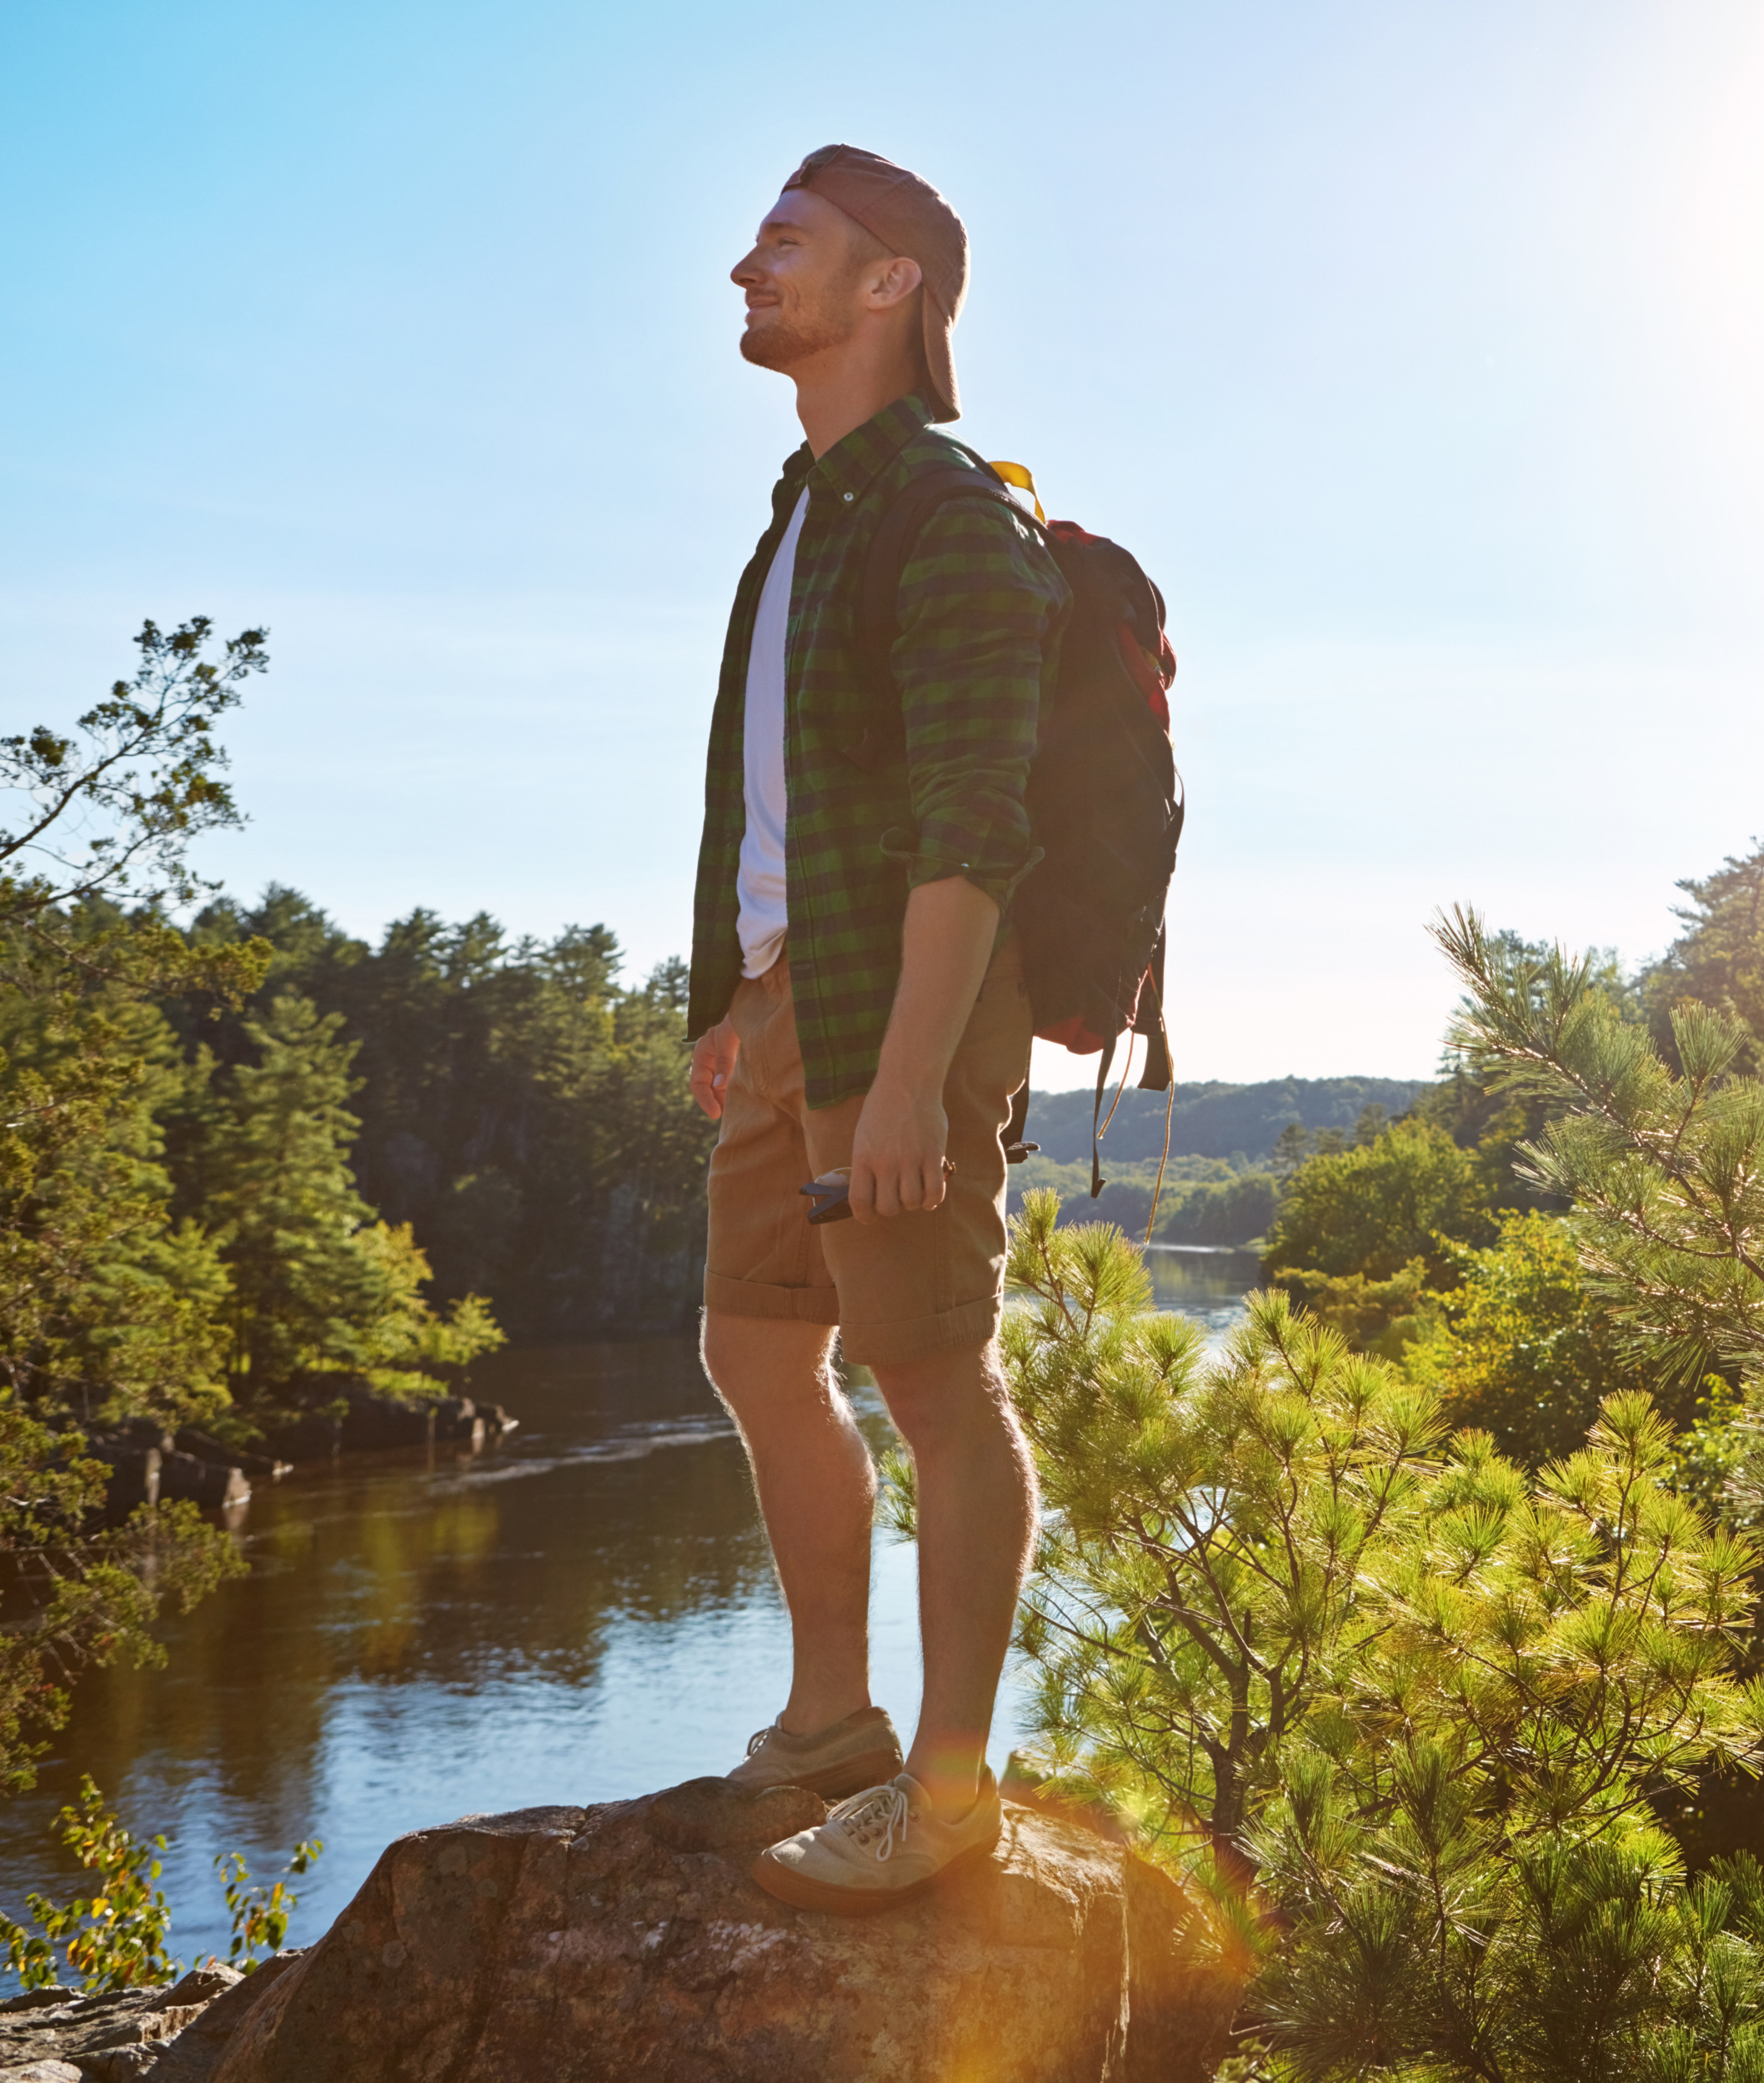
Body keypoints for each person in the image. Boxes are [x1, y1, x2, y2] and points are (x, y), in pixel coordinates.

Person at [682, 144, 1066, 1913]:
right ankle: (829, 1718)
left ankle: (949, 1786)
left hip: (899, 1015)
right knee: (758, 1349)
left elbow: (977, 812)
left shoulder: (946, 508)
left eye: (789, 243)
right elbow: (764, 793)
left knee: (934, 1381)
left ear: (892, 283)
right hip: (788, 1011)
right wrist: (731, 1000)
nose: (750, 267)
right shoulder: (802, 513)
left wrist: (909, 1069)